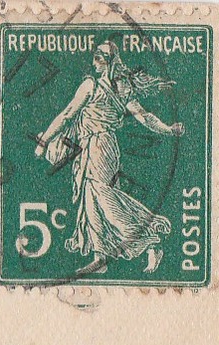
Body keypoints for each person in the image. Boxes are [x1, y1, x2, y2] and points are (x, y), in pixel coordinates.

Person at [36, 40, 185, 274]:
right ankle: (101, 256)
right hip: (100, 146)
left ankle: (148, 242)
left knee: (102, 197)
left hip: (98, 145)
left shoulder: (91, 85)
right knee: (92, 199)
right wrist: (167, 129)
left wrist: (44, 140)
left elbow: (67, 115)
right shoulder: (122, 88)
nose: (94, 62)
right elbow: (144, 116)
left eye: (97, 58)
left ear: (106, 62)